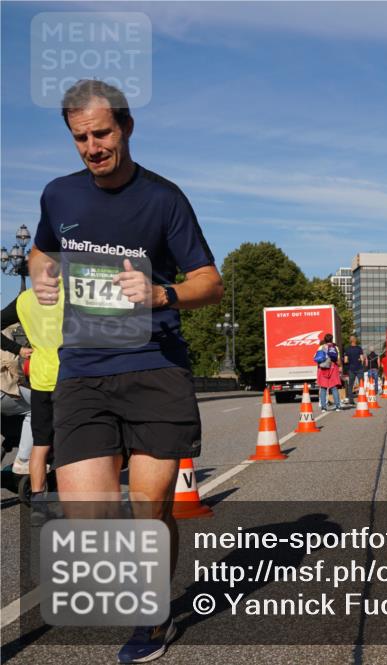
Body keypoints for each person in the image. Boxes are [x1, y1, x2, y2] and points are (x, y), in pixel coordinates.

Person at [28, 79, 223, 663]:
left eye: (103, 133)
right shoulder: (58, 196)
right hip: (83, 370)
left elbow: (210, 283)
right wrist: (40, 270)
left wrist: (162, 294)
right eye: (80, 137)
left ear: (127, 127)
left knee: (150, 510)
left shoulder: (163, 198)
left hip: (154, 369)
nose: (92, 147)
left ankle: (151, 612)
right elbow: (42, 248)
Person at [4, 286, 64, 523]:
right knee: (72, 442)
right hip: (71, 379)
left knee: (41, 443)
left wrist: (17, 348)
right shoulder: (72, 292)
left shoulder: (25, 299)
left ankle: (39, 505)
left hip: (40, 380)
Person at [1, 309, 33, 475]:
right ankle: (23, 460)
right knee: (37, 407)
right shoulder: (4, 328)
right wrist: (20, 381)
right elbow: (11, 361)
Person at [315, 333, 342, 411]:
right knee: (334, 388)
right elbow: (338, 359)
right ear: (332, 339)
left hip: (323, 369)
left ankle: (324, 407)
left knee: (323, 388)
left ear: (325, 340)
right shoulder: (335, 347)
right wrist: (340, 367)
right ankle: (338, 406)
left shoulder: (320, 347)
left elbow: (317, 359)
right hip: (333, 368)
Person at [341, 335, 366, 404]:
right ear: (355, 340)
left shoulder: (347, 349)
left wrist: (350, 360)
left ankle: (351, 400)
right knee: (361, 384)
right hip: (359, 368)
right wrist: (359, 360)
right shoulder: (359, 348)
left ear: (350, 341)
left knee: (350, 385)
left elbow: (345, 361)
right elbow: (362, 359)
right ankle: (362, 398)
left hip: (351, 369)